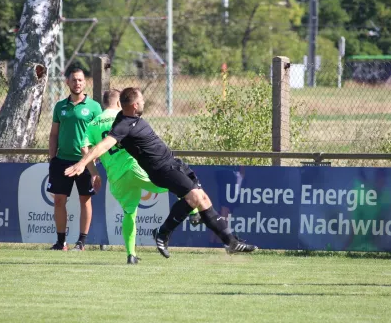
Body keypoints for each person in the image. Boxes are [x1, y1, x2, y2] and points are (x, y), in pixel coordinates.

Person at [65, 87, 257, 257]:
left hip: (173, 163)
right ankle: (163, 233)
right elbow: (103, 145)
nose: (144, 103)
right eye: (141, 101)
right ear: (133, 105)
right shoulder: (122, 124)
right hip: (162, 169)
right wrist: (83, 163)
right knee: (194, 198)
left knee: (203, 198)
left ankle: (230, 242)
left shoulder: (130, 117)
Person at [82, 89, 200, 264]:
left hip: (116, 176)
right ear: (118, 103)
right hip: (135, 167)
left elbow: (84, 148)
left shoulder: (92, 124)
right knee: (174, 182)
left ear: (103, 104)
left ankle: (131, 254)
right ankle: (195, 212)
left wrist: (94, 173)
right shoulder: (123, 117)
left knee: (129, 213)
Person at [47, 67, 102, 251]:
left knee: (85, 200)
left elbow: (100, 137)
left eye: (80, 80)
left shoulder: (94, 107)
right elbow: (54, 134)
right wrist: (52, 158)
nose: (77, 83)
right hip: (62, 161)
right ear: (67, 82)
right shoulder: (60, 106)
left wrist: (92, 159)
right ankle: (61, 242)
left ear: (84, 82)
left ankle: (81, 242)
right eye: (74, 80)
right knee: (59, 200)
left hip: (85, 162)